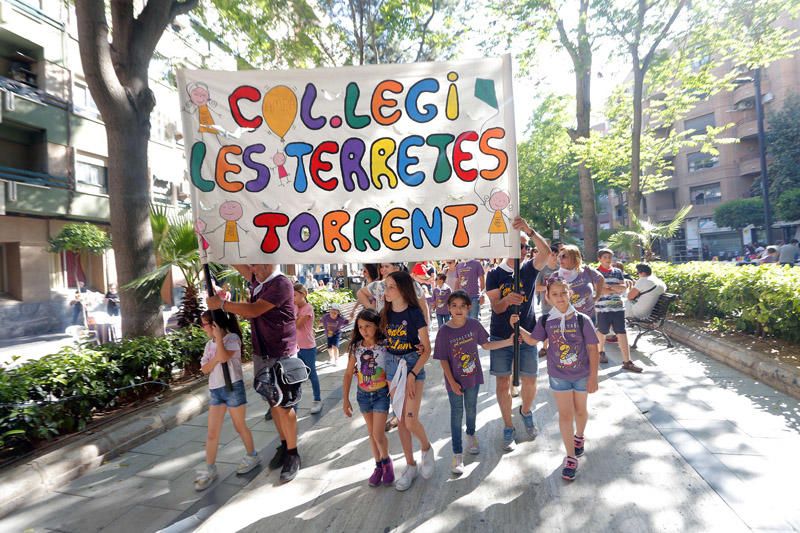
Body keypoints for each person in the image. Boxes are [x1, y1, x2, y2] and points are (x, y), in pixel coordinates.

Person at [206, 264, 301, 482]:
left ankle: (293, 454)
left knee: (285, 406)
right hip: (262, 354)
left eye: (255, 265)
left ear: (268, 263)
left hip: (281, 354)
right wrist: (215, 244)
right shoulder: (260, 279)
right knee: (273, 403)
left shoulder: (281, 284)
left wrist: (221, 304)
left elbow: (253, 310)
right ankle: (285, 445)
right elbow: (240, 266)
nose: (251, 269)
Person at [512, 275, 600, 481]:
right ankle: (570, 457)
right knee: (565, 415)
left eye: (563, 293)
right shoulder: (546, 321)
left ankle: (579, 436)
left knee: (580, 411)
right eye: (555, 295)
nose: (560, 298)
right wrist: (517, 326)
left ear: (570, 293)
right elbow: (533, 340)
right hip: (559, 376)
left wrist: (593, 377)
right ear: (548, 298)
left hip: (581, 375)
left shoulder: (582, 319)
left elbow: (593, 349)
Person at [485, 217, 549, 450]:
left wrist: (529, 230)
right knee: (502, 382)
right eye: (518, 245)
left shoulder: (529, 269)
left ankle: (525, 410)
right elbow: (496, 307)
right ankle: (508, 426)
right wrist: (506, 299)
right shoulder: (494, 274)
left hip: (527, 333)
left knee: (530, 380)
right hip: (501, 336)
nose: (522, 250)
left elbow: (546, 252)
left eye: (524, 246)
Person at [434, 290, 514, 474]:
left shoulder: (474, 325)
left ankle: (471, 434)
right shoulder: (444, 331)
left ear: (469, 308)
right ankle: (457, 454)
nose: (458, 309)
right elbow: (443, 359)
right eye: (454, 306)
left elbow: (486, 345)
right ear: (449, 308)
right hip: (454, 381)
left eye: (462, 306)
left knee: (471, 408)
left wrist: (508, 342)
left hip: (473, 377)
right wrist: (452, 382)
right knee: (456, 414)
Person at [195, 310, 260, 490]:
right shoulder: (209, 344)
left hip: (233, 389)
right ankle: (210, 468)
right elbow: (205, 369)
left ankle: (252, 455)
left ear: (215, 324)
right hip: (216, 390)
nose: (203, 328)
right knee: (212, 432)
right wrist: (216, 351)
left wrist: (218, 341)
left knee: (240, 426)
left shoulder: (232, 339)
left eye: (205, 324)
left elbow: (223, 357)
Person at [382, 271, 434, 491]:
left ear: (402, 289)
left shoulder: (414, 313)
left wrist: (413, 374)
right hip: (392, 368)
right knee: (401, 420)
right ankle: (410, 466)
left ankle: (426, 448)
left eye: (391, 286)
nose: (386, 291)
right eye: (386, 286)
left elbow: (427, 349)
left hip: (412, 366)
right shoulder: (385, 313)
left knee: (411, 420)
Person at [342, 309, 395, 487]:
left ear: (376, 325)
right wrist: (345, 399)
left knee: (378, 434)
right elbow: (349, 374)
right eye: (360, 327)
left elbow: (398, 359)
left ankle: (387, 462)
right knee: (371, 434)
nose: (364, 330)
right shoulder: (356, 347)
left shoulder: (385, 344)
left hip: (381, 395)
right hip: (363, 396)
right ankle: (378, 466)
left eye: (368, 326)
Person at [553, 246, 605, 361]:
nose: (560, 259)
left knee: (590, 348)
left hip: (589, 317)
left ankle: (590, 371)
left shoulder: (587, 270)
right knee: (573, 351)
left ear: (574, 258)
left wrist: (597, 296)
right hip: (568, 321)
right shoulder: (556, 276)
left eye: (564, 256)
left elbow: (600, 278)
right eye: (559, 256)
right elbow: (548, 296)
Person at [595, 249, 642, 372]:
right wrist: (613, 289)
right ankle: (600, 351)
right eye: (605, 257)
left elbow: (622, 287)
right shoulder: (596, 273)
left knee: (621, 332)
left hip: (618, 307)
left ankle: (627, 361)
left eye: (610, 257)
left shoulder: (618, 271)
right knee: (602, 331)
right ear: (599, 259)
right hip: (602, 308)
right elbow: (599, 291)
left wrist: (608, 287)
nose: (608, 259)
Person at [294, 283, 322, 415]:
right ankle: (294, 404)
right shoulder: (293, 307)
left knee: (312, 374)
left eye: (294, 295)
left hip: (308, 347)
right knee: (295, 376)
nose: (292, 298)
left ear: (303, 294)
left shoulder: (308, 308)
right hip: (295, 347)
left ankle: (317, 400)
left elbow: (297, 325)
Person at [534, 244, 559, 357]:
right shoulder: (542, 270)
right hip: (546, 304)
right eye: (552, 254)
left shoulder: (561, 269)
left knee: (559, 327)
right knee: (547, 326)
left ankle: (557, 347)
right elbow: (537, 287)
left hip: (560, 304)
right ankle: (544, 347)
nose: (554, 257)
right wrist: (548, 288)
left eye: (556, 255)